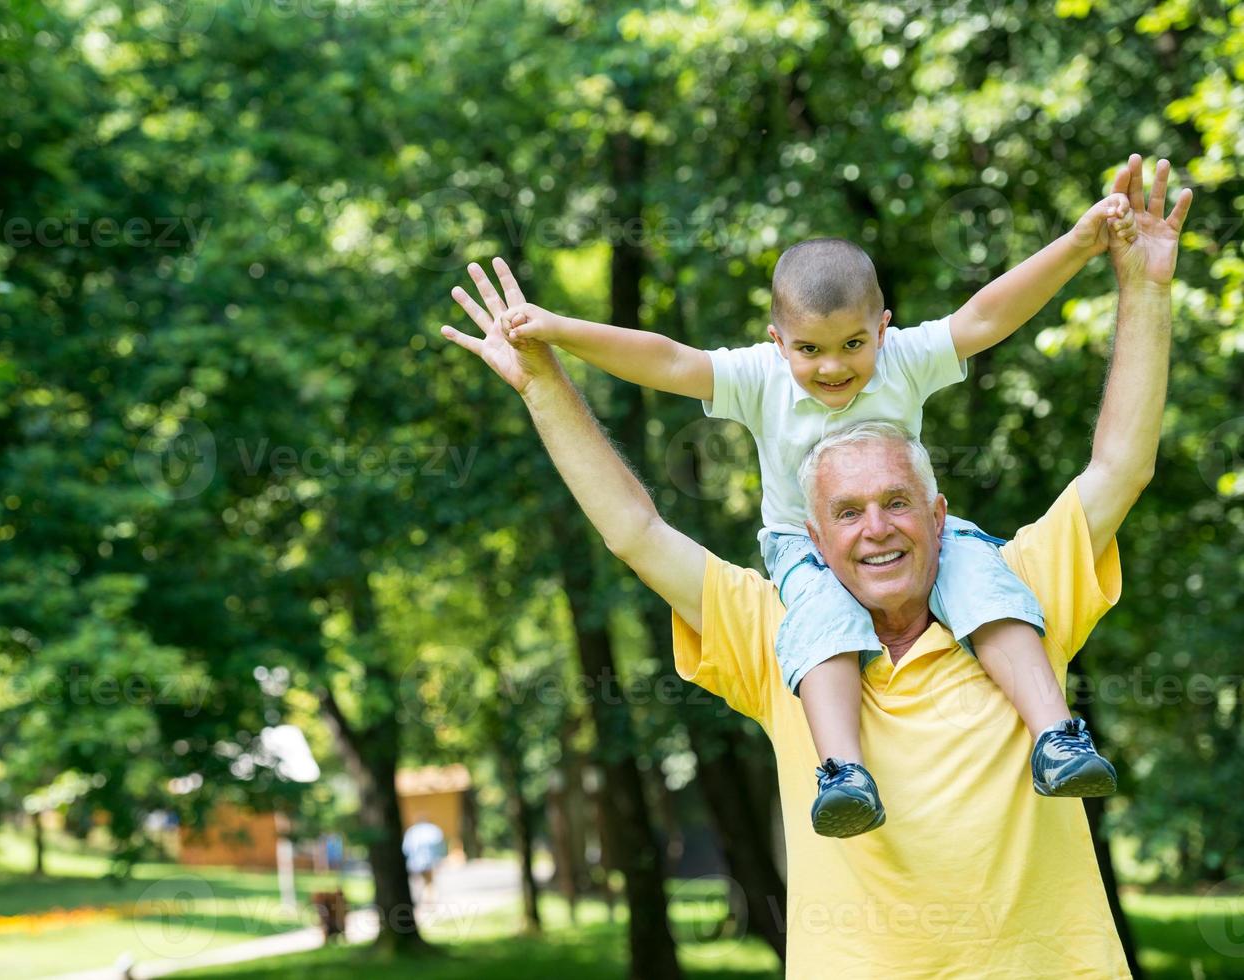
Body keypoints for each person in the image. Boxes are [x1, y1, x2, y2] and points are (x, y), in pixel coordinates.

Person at [440, 154, 1189, 976]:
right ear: (814, 535)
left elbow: (1115, 460)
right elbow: (635, 526)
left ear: (938, 514)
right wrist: (550, 372)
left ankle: (1059, 740)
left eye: (897, 503)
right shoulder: (781, 629)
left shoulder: (1015, 593)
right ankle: (844, 773)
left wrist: (1140, 286)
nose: (875, 530)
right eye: (846, 512)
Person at [479, 194, 1137, 839]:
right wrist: (559, 331)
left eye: (852, 344)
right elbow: (666, 358)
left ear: (881, 328)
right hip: (803, 546)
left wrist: (1078, 244)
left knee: (989, 589)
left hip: (920, 533)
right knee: (822, 625)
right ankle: (844, 772)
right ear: (777, 342)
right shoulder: (759, 377)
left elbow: (988, 315)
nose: (832, 367)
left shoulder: (904, 358)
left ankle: (1055, 738)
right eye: (809, 350)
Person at [402, 820, 446, 902]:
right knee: (430, 881)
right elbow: (440, 845)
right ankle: (430, 899)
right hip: (430, 861)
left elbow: (405, 849)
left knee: (419, 882)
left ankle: (423, 899)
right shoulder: (433, 829)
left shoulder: (411, 831)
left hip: (415, 863)